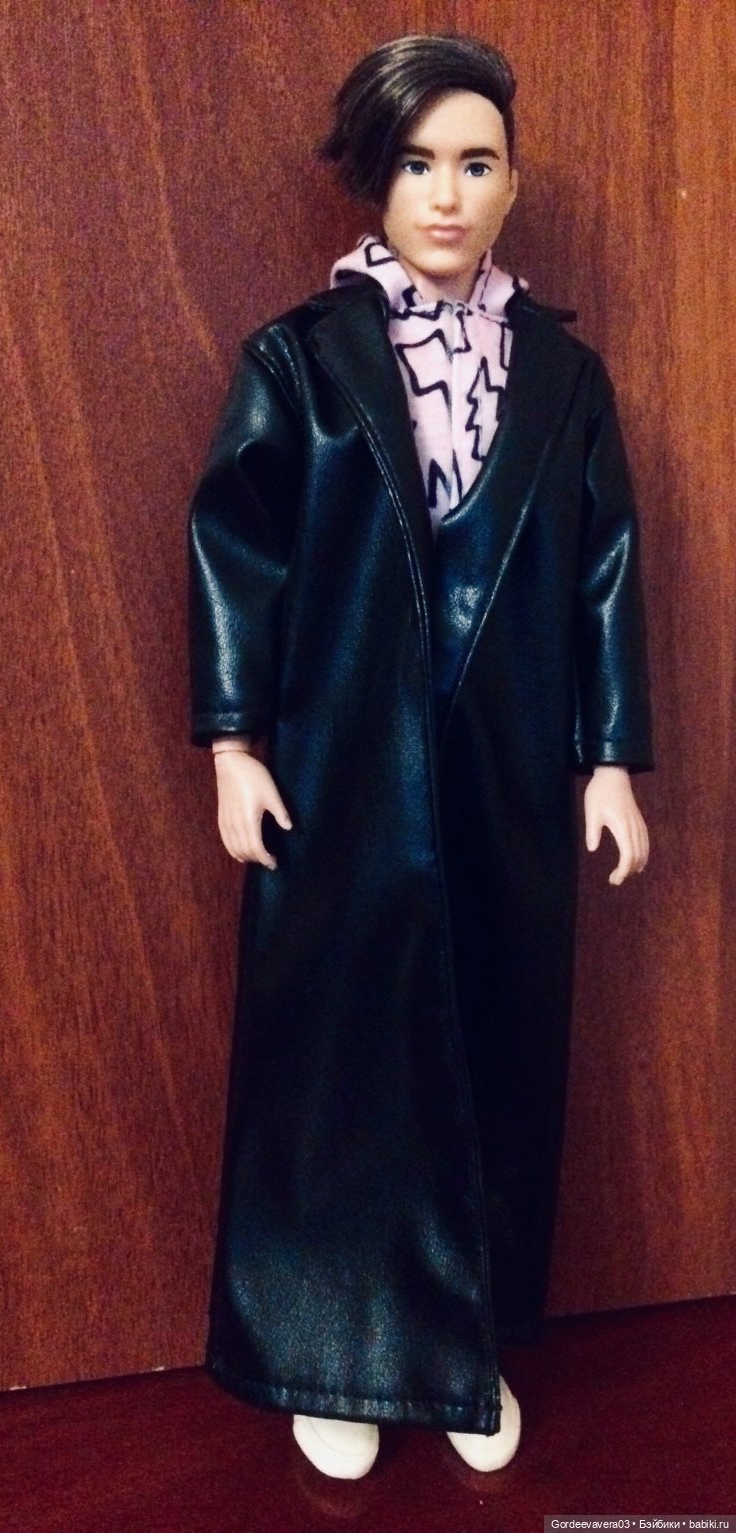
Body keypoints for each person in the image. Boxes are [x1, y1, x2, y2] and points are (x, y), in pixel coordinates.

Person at [187, 33, 652, 1480]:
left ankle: (462, 1345)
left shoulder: (563, 377)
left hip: (505, 778)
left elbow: (605, 570)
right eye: (414, 164)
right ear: (370, 180)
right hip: (339, 771)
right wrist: (232, 739)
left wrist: (607, 756)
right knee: (339, 1061)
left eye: (475, 163)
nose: (445, 195)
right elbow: (235, 547)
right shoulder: (302, 361)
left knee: (490, 1051)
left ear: (511, 181)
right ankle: (332, 1348)